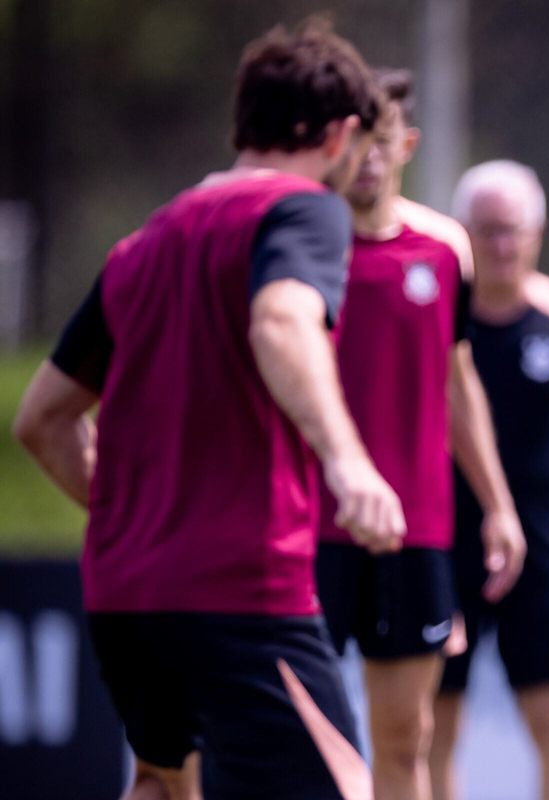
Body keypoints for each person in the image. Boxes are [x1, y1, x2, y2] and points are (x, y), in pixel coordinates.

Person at [12, 19, 398, 800]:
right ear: (342, 134)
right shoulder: (302, 211)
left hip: (126, 595)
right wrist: (349, 461)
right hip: (241, 590)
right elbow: (282, 321)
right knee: (344, 790)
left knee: (161, 784)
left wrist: (137, 518)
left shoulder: (139, 245)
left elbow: (42, 421)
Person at [315, 72, 526, 800]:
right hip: (311, 528)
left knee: (407, 745)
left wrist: (496, 504)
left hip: (417, 535)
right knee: (295, 740)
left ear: (404, 143)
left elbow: (457, 380)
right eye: (355, 140)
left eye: (382, 141)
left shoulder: (443, 249)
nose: (368, 158)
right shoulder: (299, 243)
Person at [427, 160, 549, 800]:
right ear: (460, 232)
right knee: (432, 725)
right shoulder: (433, 322)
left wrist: (529, 501)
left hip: (539, 553)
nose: (500, 245)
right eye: (485, 230)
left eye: (512, 230)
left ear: (536, 233)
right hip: (442, 546)